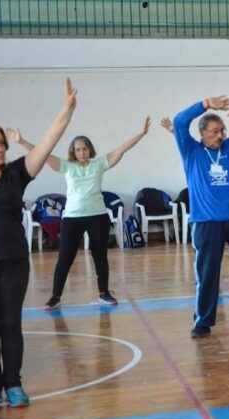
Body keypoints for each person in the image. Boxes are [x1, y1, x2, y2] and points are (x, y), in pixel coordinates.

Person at [0, 78, 78, 409]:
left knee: (10, 324)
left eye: (2, 143)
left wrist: (66, 111)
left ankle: (13, 384)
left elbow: (44, 143)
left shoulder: (15, 174)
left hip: (13, 262)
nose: (0, 148)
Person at [12, 118, 150, 310]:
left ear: (89, 150)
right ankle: (55, 296)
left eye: (85, 148)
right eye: (78, 149)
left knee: (100, 256)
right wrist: (21, 141)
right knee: (65, 257)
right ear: (73, 152)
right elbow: (42, 153)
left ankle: (104, 293)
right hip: (72, 218)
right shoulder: (67, 166)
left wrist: (141, 133)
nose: (82, 152)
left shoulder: (99, 164)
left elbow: (121, 149)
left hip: (98, 216)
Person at [173, 95, 229, 338]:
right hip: (206, 223)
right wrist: (204, 104)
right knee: (207, 273)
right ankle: (203, 321)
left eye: (223, 130)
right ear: (202, 132)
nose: (220, 135)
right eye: (215, 131)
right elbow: (179, 121)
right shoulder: (191, 150)